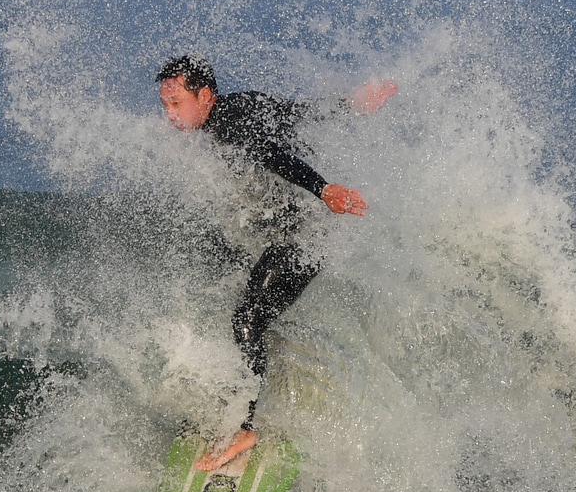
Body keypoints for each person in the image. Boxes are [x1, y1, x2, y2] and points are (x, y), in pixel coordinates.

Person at [156, 55, 396, 469]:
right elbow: (295, 113)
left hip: (306, 232)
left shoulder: (229, 123)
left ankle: (245, 428)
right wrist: (350, 104)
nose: (170, 116)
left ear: (206, 96)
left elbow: (271, 156)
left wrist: (323, 189)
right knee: (253, 313)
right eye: (165, 106)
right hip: (304, 229)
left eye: (177, 104)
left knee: (247, 320)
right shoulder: (241, 104)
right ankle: (258, 403)